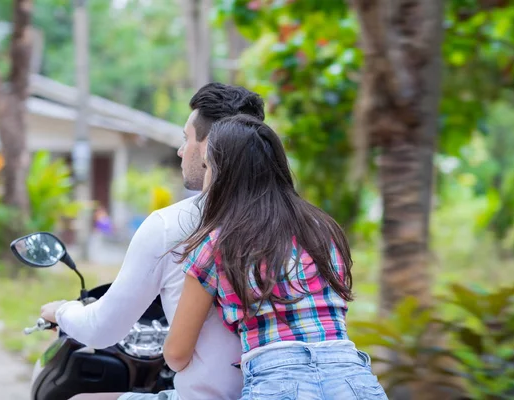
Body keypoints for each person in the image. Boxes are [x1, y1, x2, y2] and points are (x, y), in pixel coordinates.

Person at [40, 83, 265, 400]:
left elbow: (104, 329)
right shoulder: (300, 224)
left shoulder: (173, 226)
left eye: (187, 138)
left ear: (211, 148)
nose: (180, 150)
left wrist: (62, 311)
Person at [163, 115, 388, 399]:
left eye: (208, 167)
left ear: (223, 176)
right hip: (353, 378)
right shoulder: (322, 229)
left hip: (277, 383)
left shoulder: (216, 244)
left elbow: (177, 354)